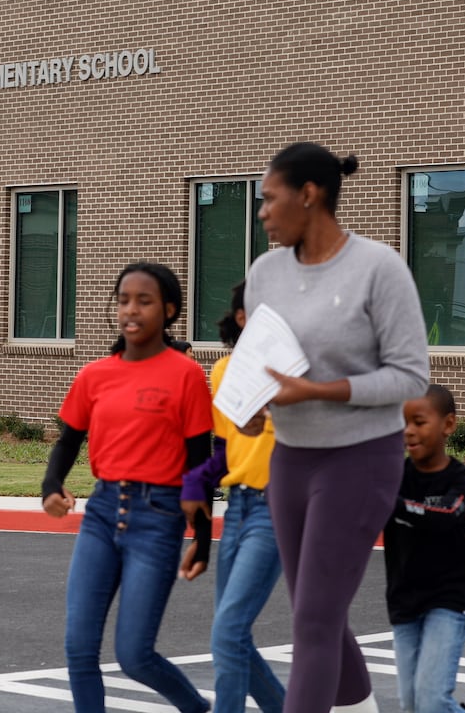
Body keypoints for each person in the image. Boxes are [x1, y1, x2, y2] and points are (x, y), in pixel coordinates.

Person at [249, 141, 430, 713]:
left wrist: (320, 391)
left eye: (269, 199)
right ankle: (358, 705)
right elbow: (263, 365)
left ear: (309, 195)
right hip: (291, 462)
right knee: (311, 608)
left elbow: (409, 377)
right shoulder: (263, 273)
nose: (261, 213)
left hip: (360, 460)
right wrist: (253, 406)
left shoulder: (378, 268)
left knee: (315, 622)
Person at [41, 261, 215, 713]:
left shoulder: (186, 375)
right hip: (101, 513)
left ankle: (198, 709)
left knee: (135, 655)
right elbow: (67, 441)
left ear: (169, 310)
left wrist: (201, 539)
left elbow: (199, 466)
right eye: (123, 300)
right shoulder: (95, 374)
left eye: (144, 300)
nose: (131, 309)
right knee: (79, 650)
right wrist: (51, 486)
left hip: (158, 518)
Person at [181, 282, 285, 713]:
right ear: (243, 318)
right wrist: (195, 485)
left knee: (227, 633)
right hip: (238, 508)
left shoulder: (299, 373)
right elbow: (225, 452)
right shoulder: (224, 371)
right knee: (234, 636)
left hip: (278, 508)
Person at [384, 384, 465, 713]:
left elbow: (447, 517)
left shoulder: (464, 479)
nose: (409, 432)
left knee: (429, 701)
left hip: (449, 597)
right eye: (404, 423)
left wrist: (393, 504)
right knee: (413, 705)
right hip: (404, 598)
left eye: (419, 421)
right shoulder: (392, 477)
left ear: (449, 425)